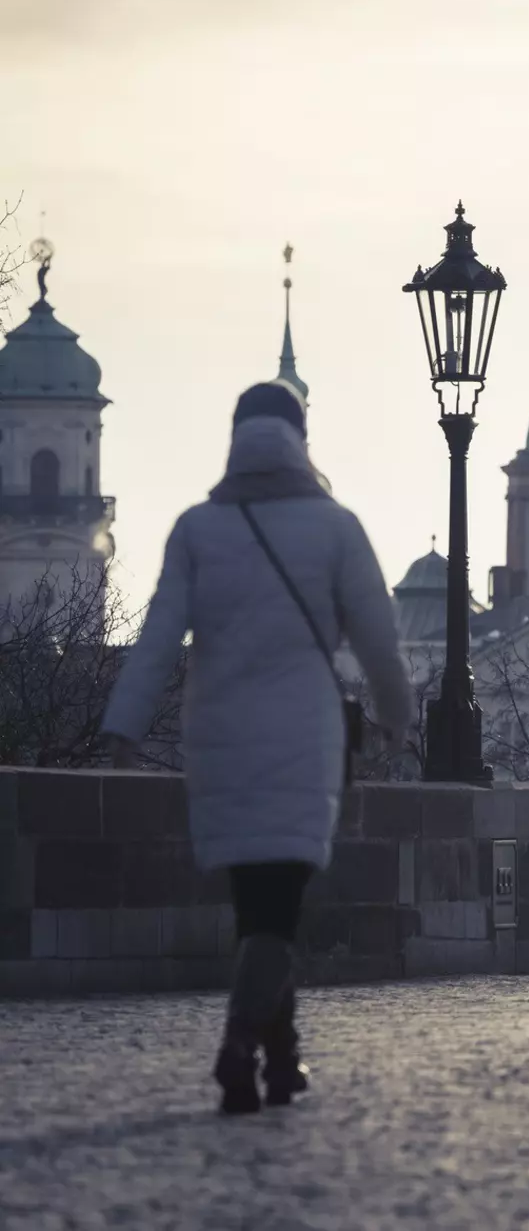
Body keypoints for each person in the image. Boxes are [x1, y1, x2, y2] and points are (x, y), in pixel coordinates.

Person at [99, 383, 411, 1115]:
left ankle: (282, 1058)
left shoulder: (197, 529)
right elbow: (378, 639)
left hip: (219, 737)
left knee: (257, 904)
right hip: (303, 736)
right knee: (279, 904)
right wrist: (397, 717)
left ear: (236, 438)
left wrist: (125, 725)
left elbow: (157, 637)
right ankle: (240, 1046)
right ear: (300, 439)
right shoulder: (335, 527)